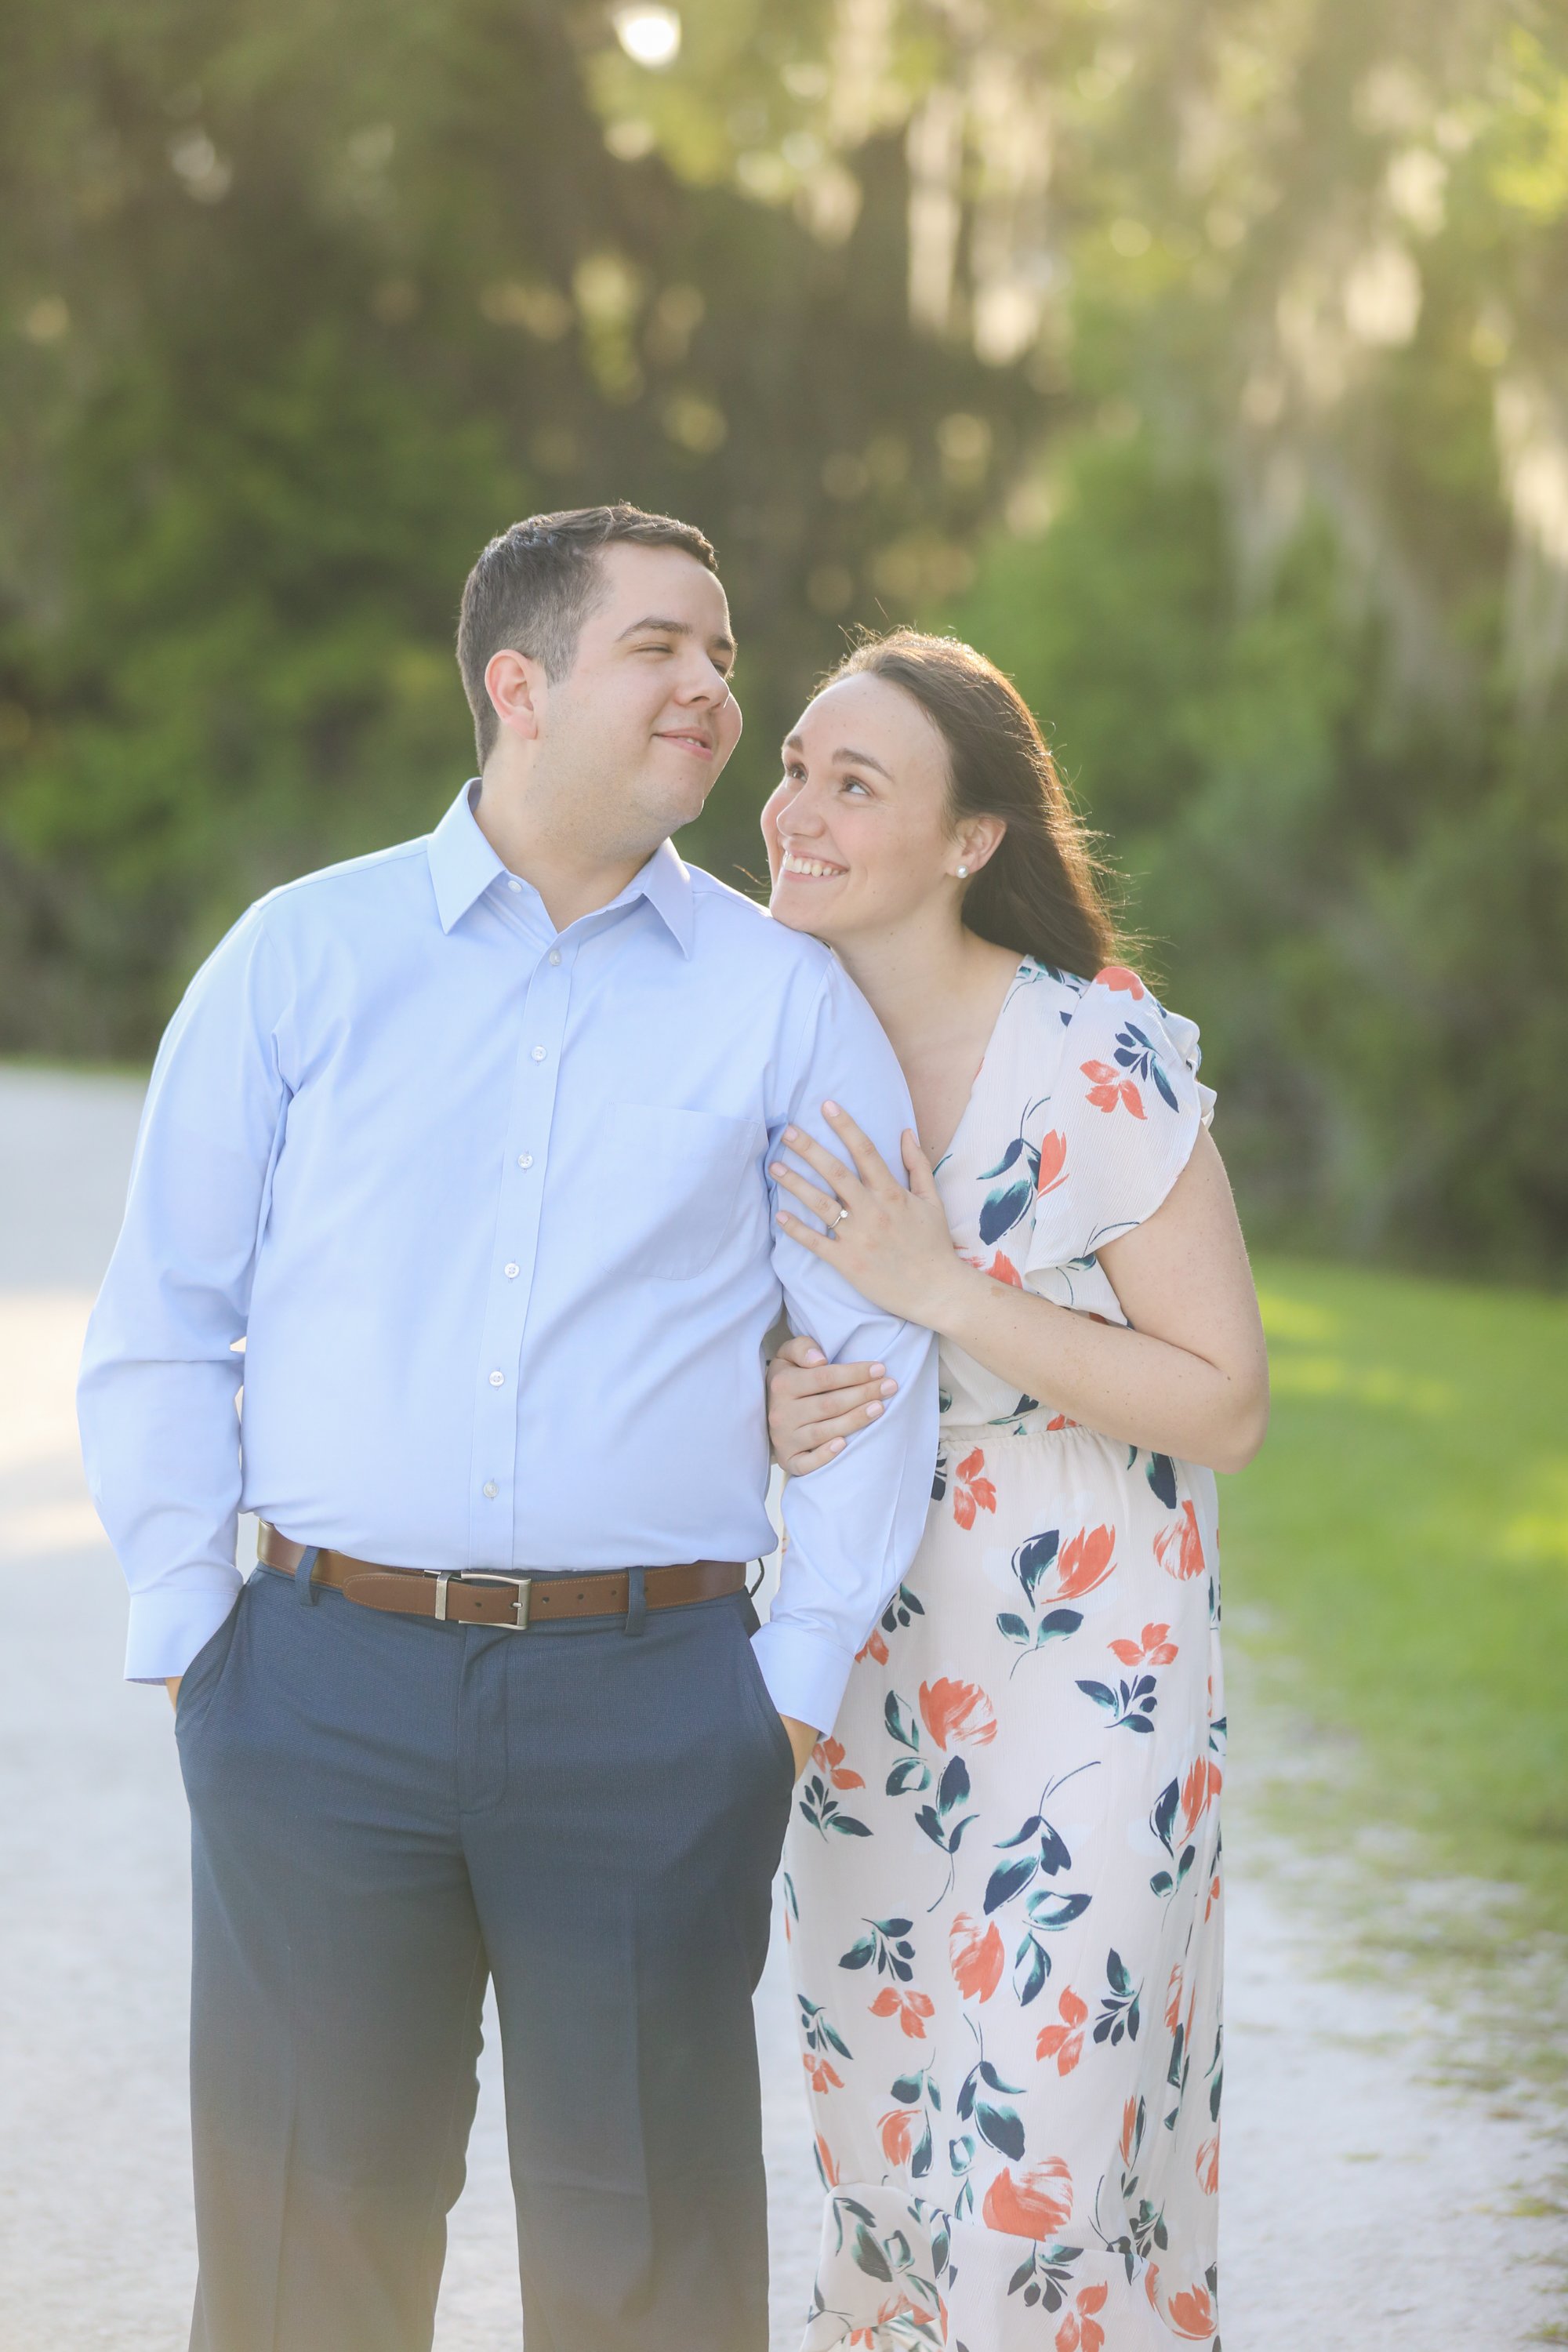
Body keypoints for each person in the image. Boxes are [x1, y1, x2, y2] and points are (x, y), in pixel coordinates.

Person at [77, 506, 938, 2352]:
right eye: (662, 649)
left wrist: (785, 1677)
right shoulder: (299, 961)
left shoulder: (782, 1000)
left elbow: (880, 1353)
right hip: (310, 1693)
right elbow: (165, 1317)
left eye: (724, 653)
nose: (713, 689)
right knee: (309, 2252)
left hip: (657, 1707)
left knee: (653, 2269)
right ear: (518, 683)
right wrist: (192, 1631)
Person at [757, 631, 1269, 2352]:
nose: (794, 811)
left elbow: (1228, 1400)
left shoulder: (1092, 1058)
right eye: (794, 769)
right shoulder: (743, 1025)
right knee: (894, 2152)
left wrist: (950, 1291)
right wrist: (756, 1397)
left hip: (1092, 1661)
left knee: (1028, 2147)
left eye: (854, 783)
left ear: (971, 841)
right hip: (864, 1655)